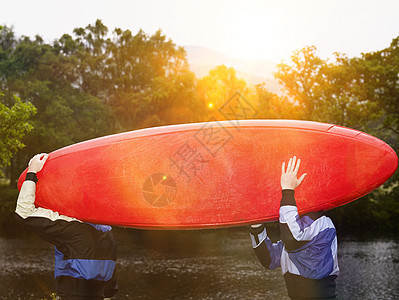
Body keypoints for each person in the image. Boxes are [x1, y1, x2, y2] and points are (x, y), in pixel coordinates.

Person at [15, 153, 118, 300]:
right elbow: (111, 289)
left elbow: (23, 213)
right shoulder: (109, 232)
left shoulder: (72, 228)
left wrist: (32, 171)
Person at [250, 156, 339, 300]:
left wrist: (287, 191)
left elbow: (292, 238)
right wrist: (256, 227)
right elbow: (270, 259)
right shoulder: (297, 230)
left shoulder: (322, 223)